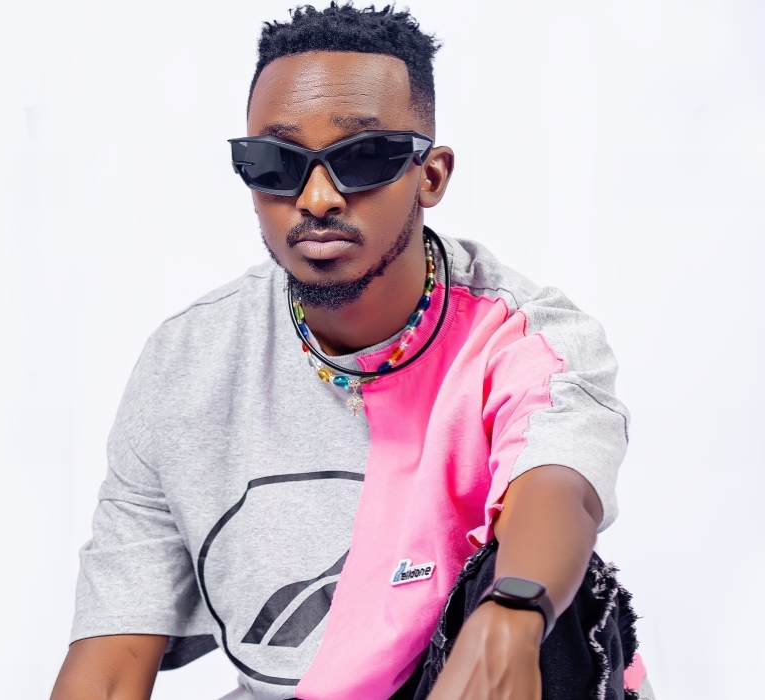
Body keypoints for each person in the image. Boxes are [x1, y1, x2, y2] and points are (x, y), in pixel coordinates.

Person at [50, 4, 650, 699]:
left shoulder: (523, 335)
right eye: (276, 164)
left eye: (363, 157)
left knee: (555, 603)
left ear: (431, 175)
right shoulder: (187, 365)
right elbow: (111, 660)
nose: (317, 197)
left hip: (471, 678)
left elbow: (559, 487)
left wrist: (514, 614)